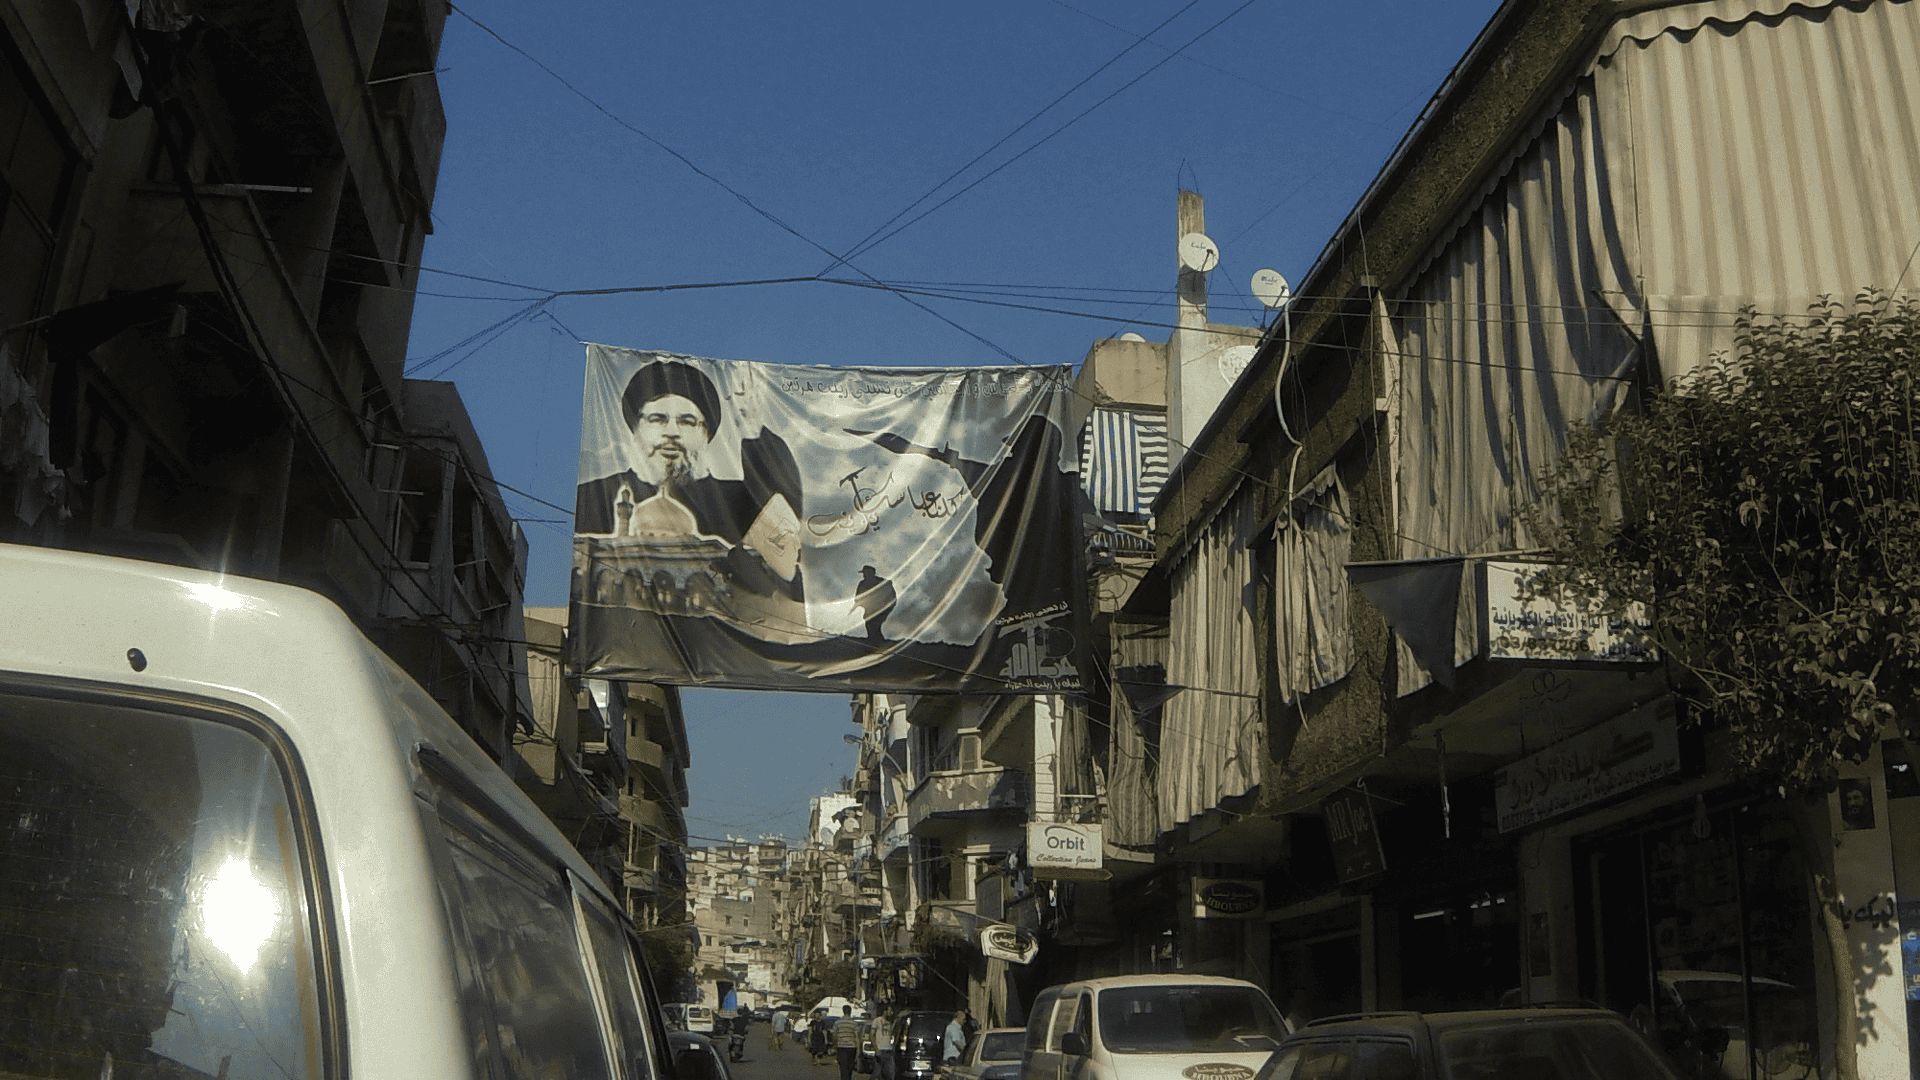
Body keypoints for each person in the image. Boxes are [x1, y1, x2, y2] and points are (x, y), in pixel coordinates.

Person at [575, 359, 806, 604]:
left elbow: (785, 558)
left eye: (687, 421)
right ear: (635, 429)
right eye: (657, 419)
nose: (672, 432)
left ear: (706, 435)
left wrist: (752, 429)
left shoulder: (739, 502)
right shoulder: (592, 498)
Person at [834, 1005, 864, 1080]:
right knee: (850, 1067)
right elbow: (857, 1037)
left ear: (843, 1011)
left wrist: (834, 1047)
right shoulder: (854, 1023)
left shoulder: (837, 1023)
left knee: (843, 1068)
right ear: (850, 1012)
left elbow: (834, 1035)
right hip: (852, 1047)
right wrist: (858, 1051)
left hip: (841, 1047)